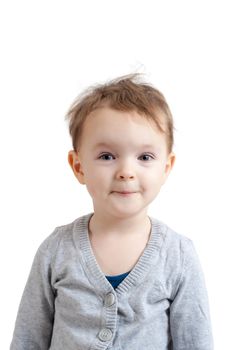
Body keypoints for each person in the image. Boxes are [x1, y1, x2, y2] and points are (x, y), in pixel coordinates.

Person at [10, 74, 214, 349]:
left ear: (166, 167)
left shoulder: (178, 256)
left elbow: (195, 342)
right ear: (79, 166)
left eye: (145, 157)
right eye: (107, 156)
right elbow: (28, 339)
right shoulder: (55, 251)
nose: (126, 172)